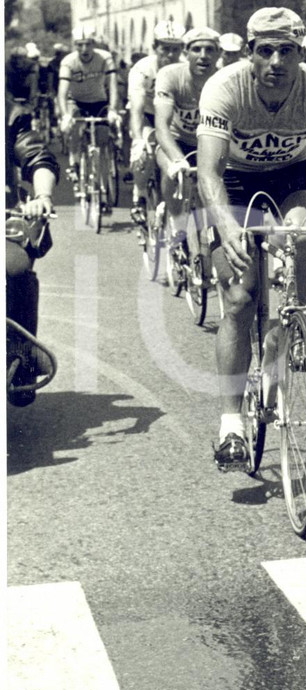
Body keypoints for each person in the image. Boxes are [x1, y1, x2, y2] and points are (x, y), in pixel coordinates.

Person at [196, 7, 306, 471]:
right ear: (251, 53)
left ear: (301, 53)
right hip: (233, 181)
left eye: (287, 51)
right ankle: (230, 425)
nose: (276, 60)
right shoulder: (224, 88)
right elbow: (209, 171)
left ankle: (294, 315)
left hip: (293, 174)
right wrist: (226, 226)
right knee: (238, 298)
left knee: (304, 231)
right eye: (265, 51)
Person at [6, 96, 58, 406]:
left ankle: (21, 354)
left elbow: (36, 156)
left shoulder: (9, 112)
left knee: (14, 266)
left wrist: (42, 196)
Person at [154, 28, 222, 256]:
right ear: (186, 52)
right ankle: (177, 225)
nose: (203, 55)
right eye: (196, 49)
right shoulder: (170, 75)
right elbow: (161, 126)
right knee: (172, 172)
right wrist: (176, 159)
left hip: (209, 143)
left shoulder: (225, 79)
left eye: (210, 50)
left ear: (219, 54)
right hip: (176, 139)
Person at [127, 21, 184, 225]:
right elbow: (136, 108)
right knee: (146, 152)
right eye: (165, 49)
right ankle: (139, 195)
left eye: (175, 50)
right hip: (148, 116)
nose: (170, 55)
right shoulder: (143, 69)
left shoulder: (185, 68)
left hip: (175, 118)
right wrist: (137, 139)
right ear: (154, 47)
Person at [57, 27, 120, 189]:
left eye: (87, 44)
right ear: (74, 45)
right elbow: (62, 92)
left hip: (99, 102)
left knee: (102, 136)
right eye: (79, 45)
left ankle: (101, 173)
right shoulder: (68, 62)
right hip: (76, 101)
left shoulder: (105, 57)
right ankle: (75, 162)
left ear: (93, 44)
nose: (84, 49)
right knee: (76, 129)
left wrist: (113, 109)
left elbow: (113, 86)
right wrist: (65, 115)